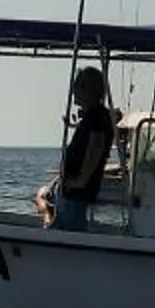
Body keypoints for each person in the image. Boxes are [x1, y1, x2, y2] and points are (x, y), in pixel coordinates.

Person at [41, 66, 118, 232]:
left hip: (76, 193)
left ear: (89, 90)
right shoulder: (94, 116)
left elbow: (95, 148)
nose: (74, 91)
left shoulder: (97, 118)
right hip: (71, 191)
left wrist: (80, 180)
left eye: (78, 86)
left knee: (69, 233)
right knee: (45, 198)